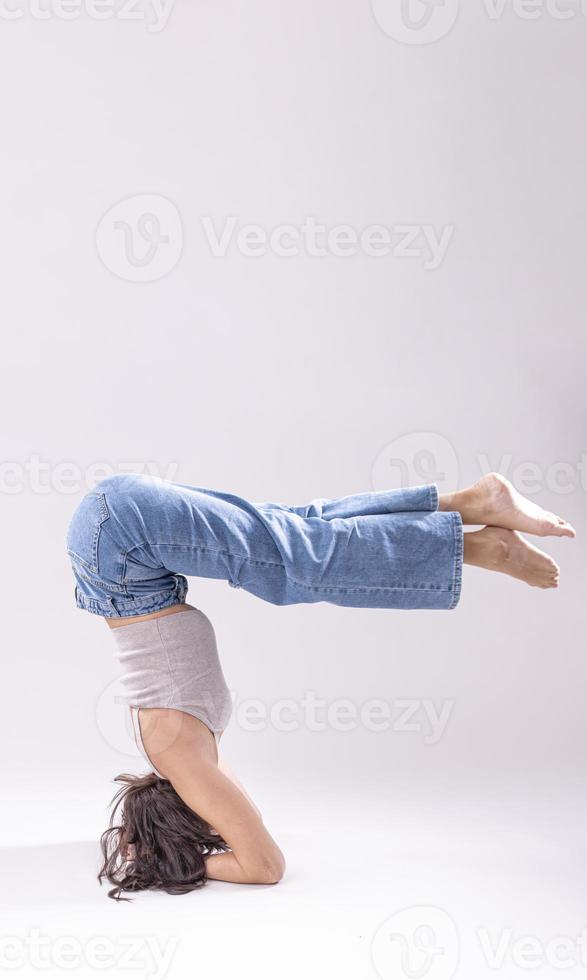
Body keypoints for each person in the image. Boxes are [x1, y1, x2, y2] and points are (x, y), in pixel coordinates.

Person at [65, 471, 575, 900]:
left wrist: (174, 860)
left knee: (298, 563)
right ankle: (471, 505)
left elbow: (263, 864)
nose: (222, 816)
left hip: (121, 543)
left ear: (190, 811)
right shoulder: (192, 751)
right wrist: (156, 839)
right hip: (119, 535)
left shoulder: (180, 754)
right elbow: (247, 818)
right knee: (296, 529)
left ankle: (476, 546)